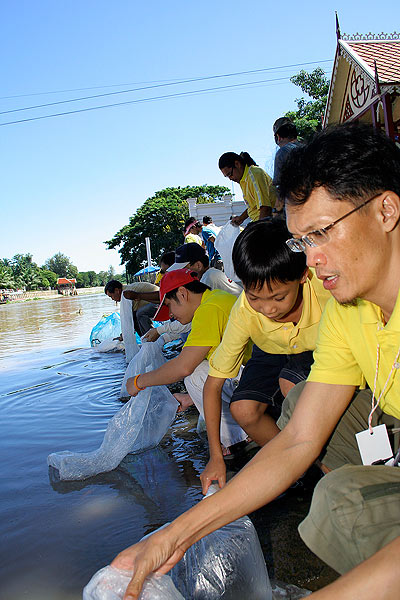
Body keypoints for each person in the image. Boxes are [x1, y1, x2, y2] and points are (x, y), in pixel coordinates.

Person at [110, 123, 400, 600]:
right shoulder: (350, 313)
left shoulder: (333, 302)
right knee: (331, 494)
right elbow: (298, 440)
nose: (309, 261)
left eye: (321, 233)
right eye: (300, 242)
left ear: (386, 210)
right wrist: (171, 537)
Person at [201, 220, 330, 493]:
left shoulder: (325, 286)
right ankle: (301, 467)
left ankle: (329, 468)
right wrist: (215, 455)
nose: (268, 309)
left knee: (293, 384)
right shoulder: (246, 311)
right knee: (242, 409)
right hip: (270, 351)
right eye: (255, 297)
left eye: (278, 297)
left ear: (303, 274)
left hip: (320, 349)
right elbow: (213, 385)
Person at [126, 268, 249, 446]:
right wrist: (190, 398)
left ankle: (236, 440)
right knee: (199, 372)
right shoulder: (214, 300)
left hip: (260, 378)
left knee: (194, 375)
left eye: (168, 305)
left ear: (182, 294)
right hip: (255, 373)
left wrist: (138, 381)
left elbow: (183, 366)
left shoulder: (209, 309)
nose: (169, 315)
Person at [219, 151, 276, 225]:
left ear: (237, 164)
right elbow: (253, 207)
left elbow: (265, 209)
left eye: (230, 174)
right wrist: (241, 218)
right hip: (258, 221)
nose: (230, 178)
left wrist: (260, 231)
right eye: (227, 176)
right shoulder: (243, 180)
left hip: (270, 221)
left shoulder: (255, 174)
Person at [272, 117, 301, 216]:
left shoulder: (283, 152)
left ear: (278, 137)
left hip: (295, 211)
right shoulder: (307, 147)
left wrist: (275, 212)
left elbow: (281, 188)